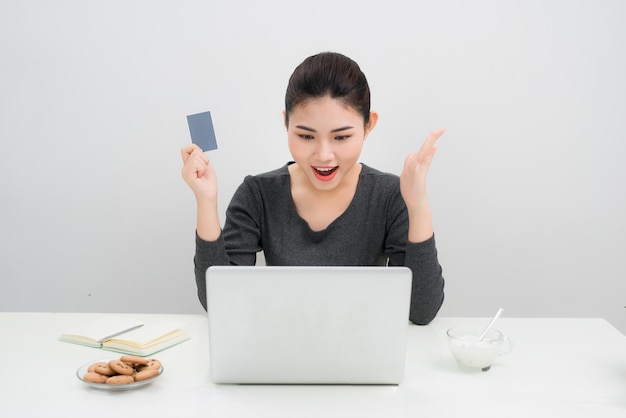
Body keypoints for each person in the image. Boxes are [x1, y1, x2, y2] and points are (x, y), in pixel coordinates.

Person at [181, 52, 445, 325]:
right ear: (286, 123)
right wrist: (206, 202)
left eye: (341, 137)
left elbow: (421, 311)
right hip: (279, 351)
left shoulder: (389, 195)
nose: (324, 155)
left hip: (361, 353)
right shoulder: (257, 194)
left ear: (369, 125)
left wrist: (418, 206)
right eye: (306, 136)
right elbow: (221, 303)